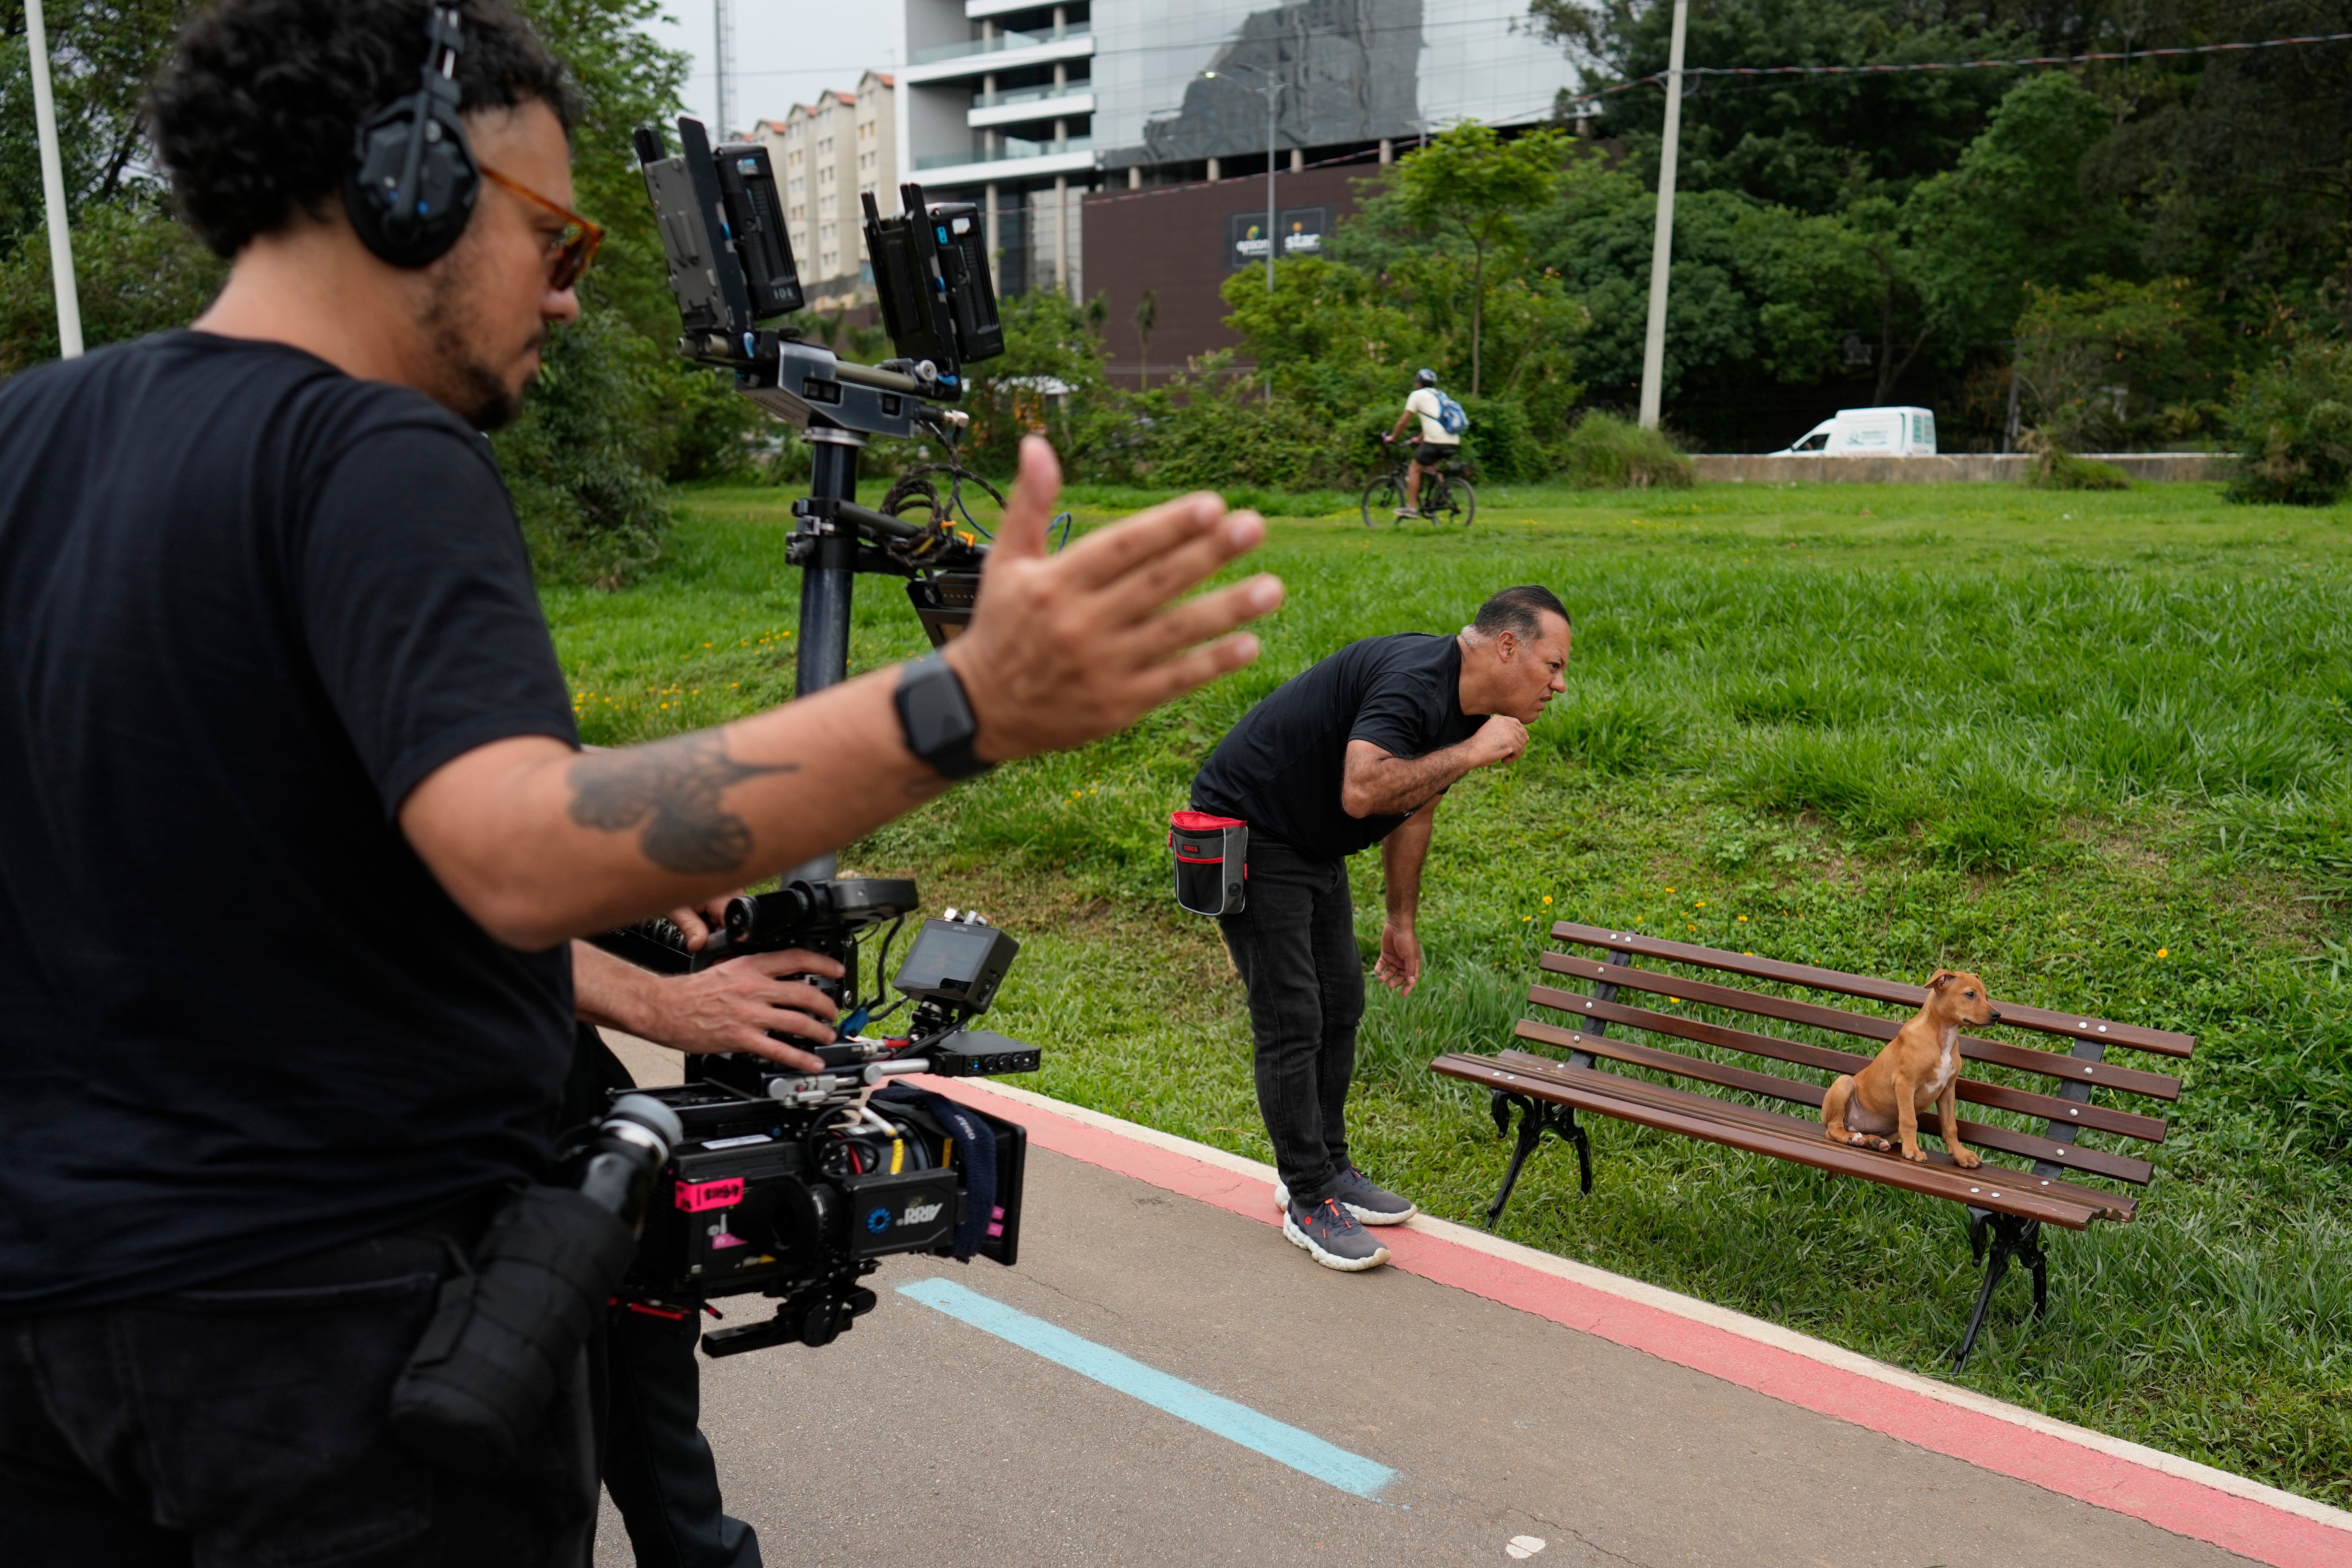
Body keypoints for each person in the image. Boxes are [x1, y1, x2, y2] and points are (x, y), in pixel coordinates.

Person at [0, 2, 1279, 1562]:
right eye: (554, 236)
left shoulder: (30, 436)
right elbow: (520, 855)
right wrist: (970, 704)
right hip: (334, 1342)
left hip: (43, 1329)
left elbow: (257, 803)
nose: (567, 291)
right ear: (410, 182)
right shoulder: (372, 450)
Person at [1189, 587, 1571, 1271]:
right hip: (1250, 830)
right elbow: (1364, 790)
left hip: (1309, 842)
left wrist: (1400, 920)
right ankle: (1307, 1197)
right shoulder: (1415, 682)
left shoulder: (1466, 706)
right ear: (1508, 647)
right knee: (1292, 1018)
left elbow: (1413, 806)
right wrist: (1473, 753)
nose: (1560, 685)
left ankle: (1330, 1169)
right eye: (1554, 665)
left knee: (1342, 1002)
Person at [570, 920, 839, 1568]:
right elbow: (430, 918)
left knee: (654, 1409)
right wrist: (658, 1006)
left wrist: (637, 890)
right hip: (419, 1140)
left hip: (575, 1102)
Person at [1382, 367, 1462, 519]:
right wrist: (1420, 439)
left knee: (1414, 469)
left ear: (1418, 383)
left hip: (1435, 441)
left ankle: (1412, 508)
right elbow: (1437, 421)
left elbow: (1404, 421)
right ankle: (1441, 496)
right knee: (1432, 468)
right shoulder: (1441, 395)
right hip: (1453, 440)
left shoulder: (1417, 395)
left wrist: (1393, 438)